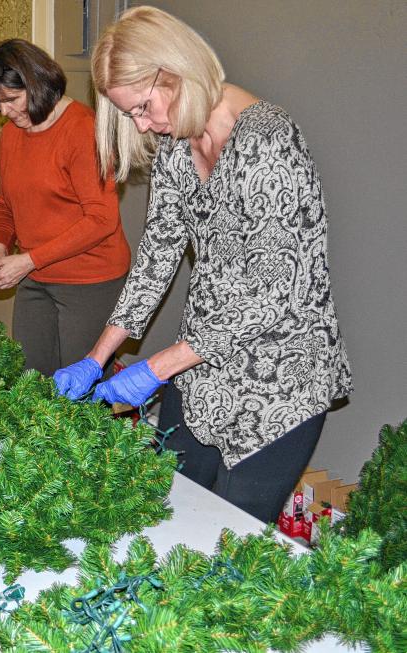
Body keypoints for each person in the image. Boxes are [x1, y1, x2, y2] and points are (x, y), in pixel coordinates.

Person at [53, 6, 352, 524]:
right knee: (167, 513)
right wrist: (97, 356)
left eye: (143, 107)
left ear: (176, 72)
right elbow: (158, 252)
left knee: (227, 543)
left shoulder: (268, 141)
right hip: (200, 368)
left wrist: (155, 366)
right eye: (131, 116)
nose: (143, 125)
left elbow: (270, 293)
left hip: (280, 380)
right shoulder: (176, 143)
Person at [0, 39, 130, 377]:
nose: (4, 112)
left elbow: (102, 219)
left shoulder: (83, 130)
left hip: (91, 279)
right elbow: (6, 205)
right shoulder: (10, 136)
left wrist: (28, 260)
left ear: (36, 84)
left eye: (11, 100)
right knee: (32, 378)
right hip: (35, 275)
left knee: (81, 387)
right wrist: (1, 249)